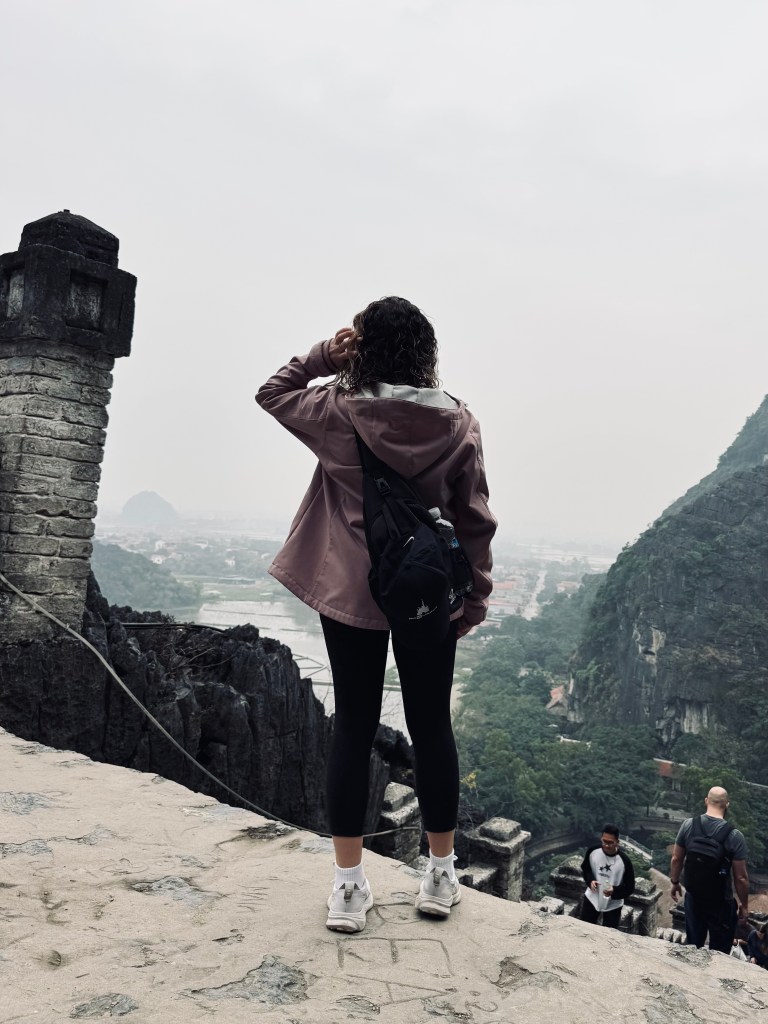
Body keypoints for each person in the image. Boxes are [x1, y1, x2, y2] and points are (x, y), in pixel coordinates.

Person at [256, 296, 496, 933]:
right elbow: (474, 518)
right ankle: (440, 875)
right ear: (426, 353)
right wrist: (475, 595)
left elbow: (273, 391)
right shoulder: (459, 423)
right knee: (431, 725)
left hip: (353, 591)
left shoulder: (337, 411)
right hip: (426, 594)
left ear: (363, 348)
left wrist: (326, 355)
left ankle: (347, 886)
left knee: (354, 727)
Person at [669, 786, 750, 953]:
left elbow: (676, 859)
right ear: (727, 804)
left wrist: (675, 882)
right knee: (720, 951)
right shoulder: (735, 836)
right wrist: (744, 905)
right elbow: (740, 877)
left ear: (706, 801)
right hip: (721, 901)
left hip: (694, 897)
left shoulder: (688, 825)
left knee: (693, 946)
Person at [579, 824, 636, 929]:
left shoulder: (624, 861)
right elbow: (586, 868)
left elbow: (629, 887)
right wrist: (590, 880)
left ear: (617, 842)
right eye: (604, 841)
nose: (606, 845)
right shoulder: (593, 851)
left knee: (609, 934)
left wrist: (614, 891)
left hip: (613, 904)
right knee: (584, 928)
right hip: (592, 897)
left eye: (610, 842)